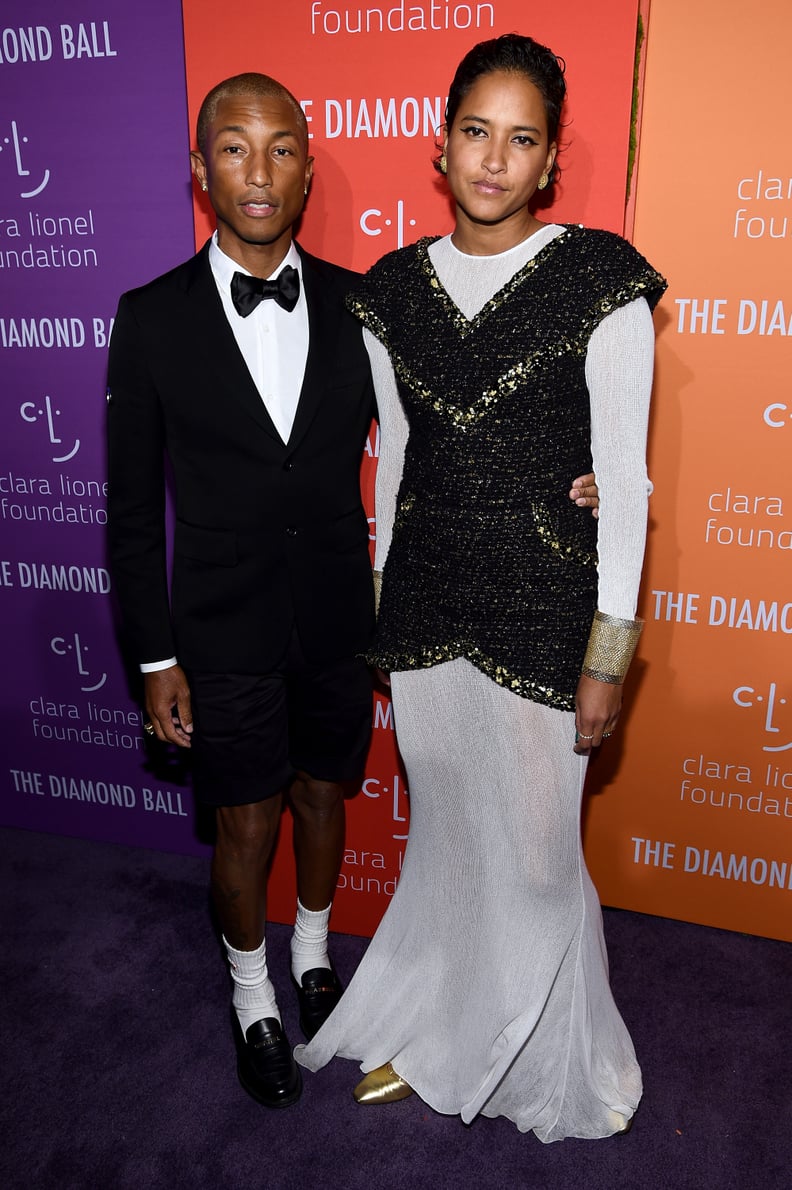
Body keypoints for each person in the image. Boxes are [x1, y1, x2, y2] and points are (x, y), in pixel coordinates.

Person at [296, 34, 666, 1142]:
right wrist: (379, 605)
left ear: (550, 160)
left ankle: (541, 1056)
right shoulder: (393, 292)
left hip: (549, 612)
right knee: (452, 839)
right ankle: (446, 1027)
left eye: (522, 139)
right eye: (475, 131)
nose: (495, 159)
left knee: (544, 858)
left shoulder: (604, 278)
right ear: (439, 142)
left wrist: (610, 653)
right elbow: (397, 462)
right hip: (424, 612)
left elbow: (631, 486)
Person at [106, 73, 377, 1111]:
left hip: (336, 615)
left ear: (307, 168)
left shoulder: (362, 306)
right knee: (245, 823)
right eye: (233, 147)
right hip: (218, 627)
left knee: (321, 794)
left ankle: (312, 951)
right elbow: (131, 513)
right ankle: (253, 993)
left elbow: (436, 446)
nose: (258, 171)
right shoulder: (150, 319)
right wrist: (155, 656)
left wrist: (569, 482)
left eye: (279, 149)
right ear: (199, 170)